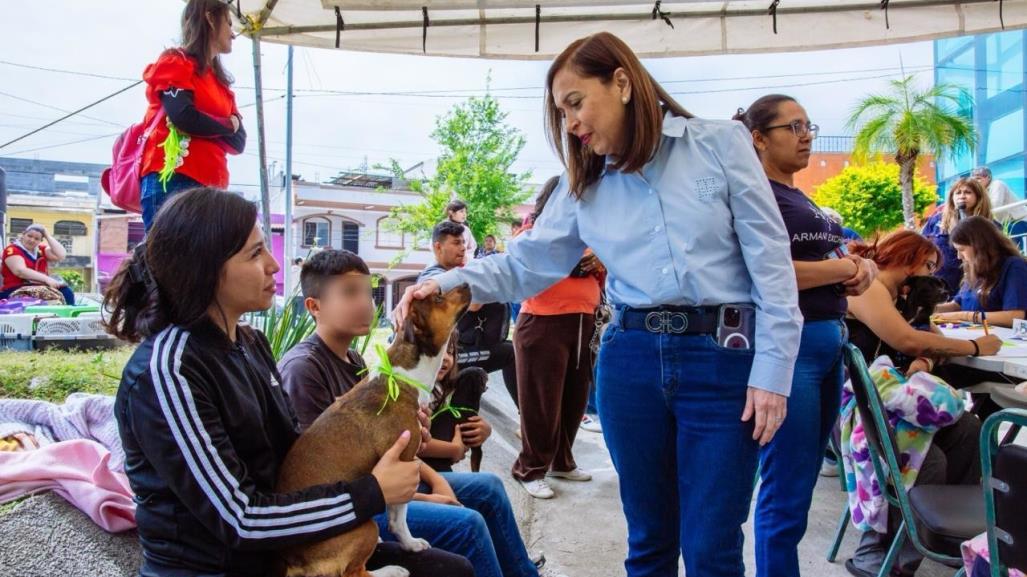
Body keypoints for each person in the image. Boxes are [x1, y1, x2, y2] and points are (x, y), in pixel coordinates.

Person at [395, 32, 803, 577]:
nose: (570, 124)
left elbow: (772, 268)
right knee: (649, 541)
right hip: (630, 362)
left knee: (711, 547)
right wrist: (443, 285)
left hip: (723, 361)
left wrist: (773, 372)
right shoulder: (581, 185)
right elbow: (523, 265)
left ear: (622, 82)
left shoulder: (720, 144)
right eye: (561, 112)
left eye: (574, 103)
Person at [106, 188, 471, 577]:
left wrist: (384, 436)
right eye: (255, 253)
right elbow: (240, 519)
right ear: (205, 268)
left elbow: (293, 448)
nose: (273, 265)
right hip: (227, 567)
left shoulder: (248, 343)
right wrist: (372, 492)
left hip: (285, 544)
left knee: (455, 567)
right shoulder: (170, 372)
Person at [278, 249, 545, 577]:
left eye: (367, 291)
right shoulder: (303, 369)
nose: (366, 304)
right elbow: (325, 482)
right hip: (346, 511)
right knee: (468, 524)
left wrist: (434, 475)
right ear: (314, 306)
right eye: (350, 293)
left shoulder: (358, 363)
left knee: (488, 486)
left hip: (379, 490)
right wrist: (427, 497)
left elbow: (390, 448)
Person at [736, 94, 877, 577]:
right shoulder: (758, 195)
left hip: (825, 344)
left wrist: (861, 269)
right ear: (758, 137)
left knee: (798, 486)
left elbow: (828, 262)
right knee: (785, 489)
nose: (807, 135)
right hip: (788, 350)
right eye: (792, 127)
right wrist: (845, 267)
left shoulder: (799, 196)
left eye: (807, 125)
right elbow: (761, 271)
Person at [842, 231, 991, 577]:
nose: (931, 274)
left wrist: (926, 358)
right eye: (927, 264)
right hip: (860, 408)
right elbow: (907, 340)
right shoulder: (868, 286)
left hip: (893, 403)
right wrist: (975, 347)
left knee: (969, 428)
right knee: (929, 459)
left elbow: (929, 344)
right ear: (907, 259)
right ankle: (888, 554)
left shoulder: (903, 298)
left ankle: (943, 535)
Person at [511, 176, 605, 500]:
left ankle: (561, 462)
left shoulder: (591, 235)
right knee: (541, 404)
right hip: (542, 324)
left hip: (584, 323)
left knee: (573, 401)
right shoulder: (531, 234)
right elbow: (526, 271)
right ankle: (529, 469)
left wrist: (600, 259)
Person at [139, 0, 246, 230]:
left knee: (203, 265)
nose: (234, 33)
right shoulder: (175, 62)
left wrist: (206, 123)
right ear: (209, 18)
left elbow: (239, 142)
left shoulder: (221, 84)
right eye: (228, 23)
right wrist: (228, 125)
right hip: (174, 180)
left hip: (212, 190)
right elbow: (184, 117)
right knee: (166, 261)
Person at [419, 221, 518, 409]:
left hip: (457, 349)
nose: (463, 248)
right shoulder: (433, 277)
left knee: (509, 349)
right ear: (438, 247)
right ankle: (525, 418)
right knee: (511, 353)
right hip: (445, 359)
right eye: (456, 243)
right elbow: (473, 304)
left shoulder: (451, 272)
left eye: (464, 243)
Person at [934, 215, 1027, 328]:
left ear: (979, 245)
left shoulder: (1013, 266)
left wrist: (965, 316)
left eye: (961, 250)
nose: (959, 256)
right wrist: (929, 309)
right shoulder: (974, 267)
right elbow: (957, 304)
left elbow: (1014, 317)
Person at [921, 178, 995, 295]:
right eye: (958, 193)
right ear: (951, 197)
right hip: (939, 282)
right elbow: (922, 245)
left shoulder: (990, 225)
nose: (962, 196)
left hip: (974, 283)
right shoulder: (937, 220)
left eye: (968, 192)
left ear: (979, 196)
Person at [0, 224, 74, 305]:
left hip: (38, 288)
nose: (32, 240)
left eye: (36, 238)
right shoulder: (11, 249)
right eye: (29, 236)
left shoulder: (41, 250)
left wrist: (47, 235)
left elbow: (61, 255)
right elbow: (20, 271)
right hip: (15, 289)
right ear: (23, 234)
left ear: (40, 240)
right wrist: (47, 279)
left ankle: (67, 315)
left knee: (65, 291)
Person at [445, 200, 477, 265]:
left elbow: (473, 246)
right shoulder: (443, 227)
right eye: (461, 211)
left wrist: (466, 256)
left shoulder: (466, 230)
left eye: (465, 212)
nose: (464, 214)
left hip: (462, 265)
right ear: (451, 212)